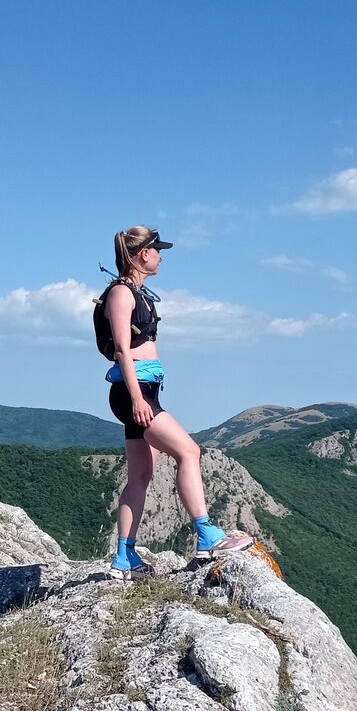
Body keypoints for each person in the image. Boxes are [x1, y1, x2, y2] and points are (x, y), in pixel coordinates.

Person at [102, 225, 253, 579]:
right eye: (157, 250)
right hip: (134, 390)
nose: (161, 256)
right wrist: (139, 398)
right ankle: (207, 535)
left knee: (140, 474)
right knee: (189, 452)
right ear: (143, 254)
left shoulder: (135, 292)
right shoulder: (121, 294)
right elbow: (123, 349)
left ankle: (125, 558)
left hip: (141, 389)